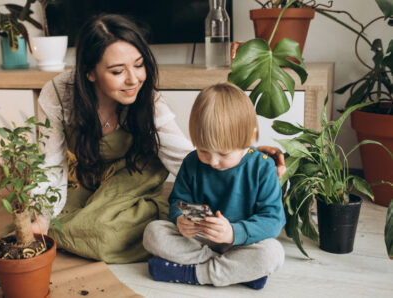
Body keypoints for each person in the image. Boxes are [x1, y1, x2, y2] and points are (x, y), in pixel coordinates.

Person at [33, 14, 285, 264]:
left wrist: (242, 156)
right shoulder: (58, 95)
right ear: (90, 72)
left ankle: (200, 263)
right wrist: (42, 216)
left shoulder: (149, 103)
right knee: (55, 217)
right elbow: (50, 163)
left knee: (103, 232)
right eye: (118, 71)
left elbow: (185, 156)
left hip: (131, 173)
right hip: (86, 173)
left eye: (139, 65)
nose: (134, 79)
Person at [142, 82, 286, 290]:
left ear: (251, 137)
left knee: (272, 253)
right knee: (153, 232)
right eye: (203, 150)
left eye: (224, 154)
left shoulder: (263, 167)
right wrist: (180, 220)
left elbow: (272, 221)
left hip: (243, 241)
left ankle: (193, 273)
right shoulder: (192, 162)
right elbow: (177, 201)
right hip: (201, 241)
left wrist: (233, 233)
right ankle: (237, 272)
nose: (213, 161)